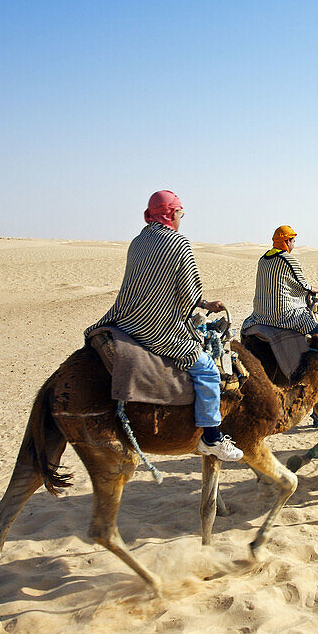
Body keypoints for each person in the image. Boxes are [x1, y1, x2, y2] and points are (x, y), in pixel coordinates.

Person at [86, 190, 243, 461]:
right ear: (171, 213)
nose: (182, 218)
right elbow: (190, 291)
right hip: (156, 326)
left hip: (124, 320)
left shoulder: (138, 241)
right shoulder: (177, 243)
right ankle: (212, 438)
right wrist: (205, 304)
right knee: (206, 367)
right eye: (181, 213)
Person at [241, 225, 318, 335]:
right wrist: (314, 289)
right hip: (284, 316)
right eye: (293, 242)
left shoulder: (262, 259)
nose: (293, 245)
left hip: (259, 316)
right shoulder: (288, 260)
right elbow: (302, 286)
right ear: (287, 242)